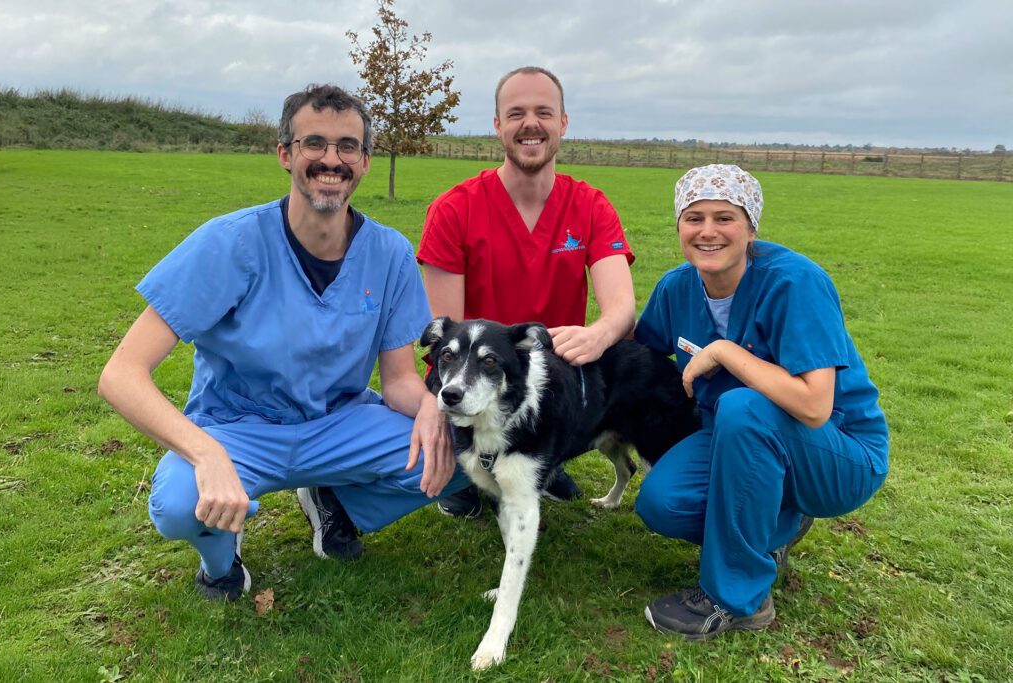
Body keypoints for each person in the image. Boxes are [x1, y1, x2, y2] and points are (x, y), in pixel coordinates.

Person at [98, 84, 468, 601]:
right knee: (179, 505)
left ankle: (335, 502)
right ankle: (221, 564)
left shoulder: (389, 253)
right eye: (313, 143)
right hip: (238, 427)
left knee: (464, 455)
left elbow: (400, 380)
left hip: (338, 423)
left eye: (347, 147)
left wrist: (429, 407)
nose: (330, 160)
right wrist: (206, 455)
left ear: (363, 162)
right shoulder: (229, 243)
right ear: (286, 154)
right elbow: (120, 375)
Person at [633, 164, 889, 639]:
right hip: (736, 439)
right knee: (663, 503)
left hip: (839, 450)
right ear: (679, 227)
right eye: (694, 218)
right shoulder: (676, 287)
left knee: (743, 405)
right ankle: (773, 529)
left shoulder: (794, 283)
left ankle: (737, 600)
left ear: (751, 227)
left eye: (724, 218)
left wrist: (725, 351)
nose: (708, 231)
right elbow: (639, 353)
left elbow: (815, 407)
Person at [418, 65, 637, 517]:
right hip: (478, 378)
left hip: (549, 384)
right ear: (497, 125)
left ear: (563, 123)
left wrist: (598, 334)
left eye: (544, 111)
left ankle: (543, 459)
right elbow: (442, 341)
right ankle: (469, 470)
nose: (530, 123)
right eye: (515, 113)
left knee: (583, 389)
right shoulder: (454, 209)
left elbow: (621, 308)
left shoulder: (590, 206)